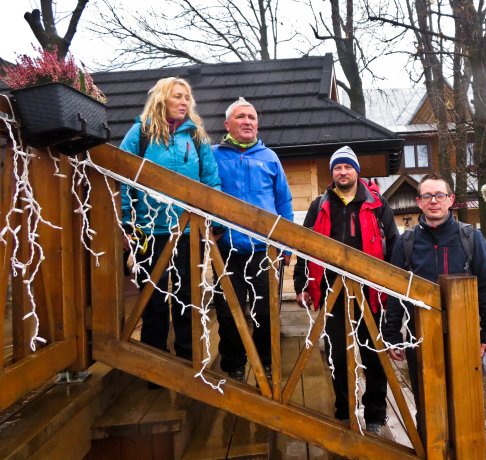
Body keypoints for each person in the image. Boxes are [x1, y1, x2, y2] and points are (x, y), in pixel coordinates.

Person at [382, 173, 486, 433]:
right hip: (420, 338)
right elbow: (395, 292)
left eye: (440, 195)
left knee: (465, 402)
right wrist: (392, 335)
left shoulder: (471, 238)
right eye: (427, 196)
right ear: (419, 201)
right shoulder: (406, 242)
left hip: (464, 337)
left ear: (451, 200)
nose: (433, 201)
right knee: (426, 405)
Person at [293, 146, 399, 435]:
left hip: (371, 293)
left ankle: (375, 416)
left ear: (356, 171)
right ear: (332, 173)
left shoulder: (378, 203)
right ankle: (343, 411)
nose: (342, 172)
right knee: (338, 355)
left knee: (374, 355)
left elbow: (394, 244)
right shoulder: (319, 205)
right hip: (332, 292)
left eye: (347, 167)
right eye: (337, 168)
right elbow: (304, 245)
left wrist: (392, 288)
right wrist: (302, 283)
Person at [120, 77, 222, 366]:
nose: (184, 102)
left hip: (188, 230)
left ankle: (188, 358)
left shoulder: (196, 136)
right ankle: (156, 361)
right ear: (163, 99)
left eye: (187, 98)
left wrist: (214, 221)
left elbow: (211, 181)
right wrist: (128, 221)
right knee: (152, 297)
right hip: (149, 230)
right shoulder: (141, 132)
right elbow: (122, 175)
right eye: (178, 96)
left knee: (187, 295)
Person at [212, 97, 294, 381]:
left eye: (252, 117)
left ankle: (266, 364)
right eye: (241, 117)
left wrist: (285, 244)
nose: (247, 121)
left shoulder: (269, 157)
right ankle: (233, 365)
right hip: (226, 248)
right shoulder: (213, 155)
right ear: (227, 124)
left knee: (266, 311)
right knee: (227, 310)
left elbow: (284, 202)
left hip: (265, 251)